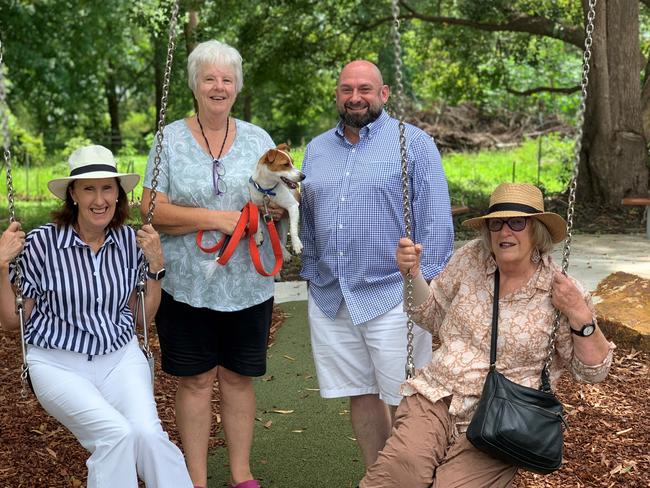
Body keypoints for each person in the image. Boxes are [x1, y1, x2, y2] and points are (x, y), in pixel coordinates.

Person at [360, 182, 615, 487]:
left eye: (517, 222)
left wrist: (579, 313)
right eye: (497, 223)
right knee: (399, 475)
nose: (505, 232)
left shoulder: (561, 289)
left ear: (537, 231)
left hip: (503, 417)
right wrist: (412, 275)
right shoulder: (470, 259)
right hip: (437, 394)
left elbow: (593, 371)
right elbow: (430, 314)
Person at [0, 145, 193, 488]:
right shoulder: (42, 244)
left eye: (108, 188)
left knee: (148, 435)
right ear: (73, 194)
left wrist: (156, 268)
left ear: (118, 195)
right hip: (56, 363)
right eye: (89, 188)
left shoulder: (130, 243)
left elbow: (140, 320)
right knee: (116, 434)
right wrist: (1, 267)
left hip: (119, 357)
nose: (99, 199)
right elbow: (14, 322)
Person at [299, 59, 454, 469]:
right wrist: (312, 271)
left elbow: (437, 224)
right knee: (361, 392)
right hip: (333, 295)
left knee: (408, 398)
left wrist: (427, 289)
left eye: (365, 89)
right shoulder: (316, 149)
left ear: (383, 93)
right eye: (347, 89)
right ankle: (378, 476)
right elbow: (308, 220)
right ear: (337, 95)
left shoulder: (413, 143)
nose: (355, 97)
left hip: (392, 294)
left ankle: (417, 476)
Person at [140, 40, 281, 488]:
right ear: (195, 85)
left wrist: (274, 207)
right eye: (209, 78)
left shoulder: (258, 138)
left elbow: (275, 196)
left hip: (247, 284)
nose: (219, 86)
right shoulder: (168, 140)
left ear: (236, 86)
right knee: (196, 381)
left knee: (239, 379)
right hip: (185, 284)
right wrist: (214, 219)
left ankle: (242, 475)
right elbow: (149, 210)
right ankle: (195, 479)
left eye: (227, 79)